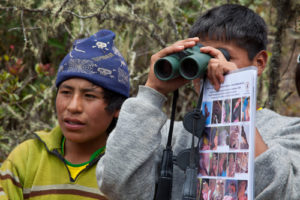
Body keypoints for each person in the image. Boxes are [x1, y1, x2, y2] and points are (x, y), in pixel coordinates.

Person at [96, 4, 300, 200]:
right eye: (202, 56)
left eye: (223, 56)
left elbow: (282, 193)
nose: (210, 68)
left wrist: (234, 97)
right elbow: (118, 187)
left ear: (259, 63)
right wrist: (151, 92)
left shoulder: (288, 131)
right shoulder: (169, 135)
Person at [0, 29, 130, 199]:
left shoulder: (127, 170)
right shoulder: (26, 158)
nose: (73, 106)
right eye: (66, 92)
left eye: (89, 96)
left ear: (117, 108)